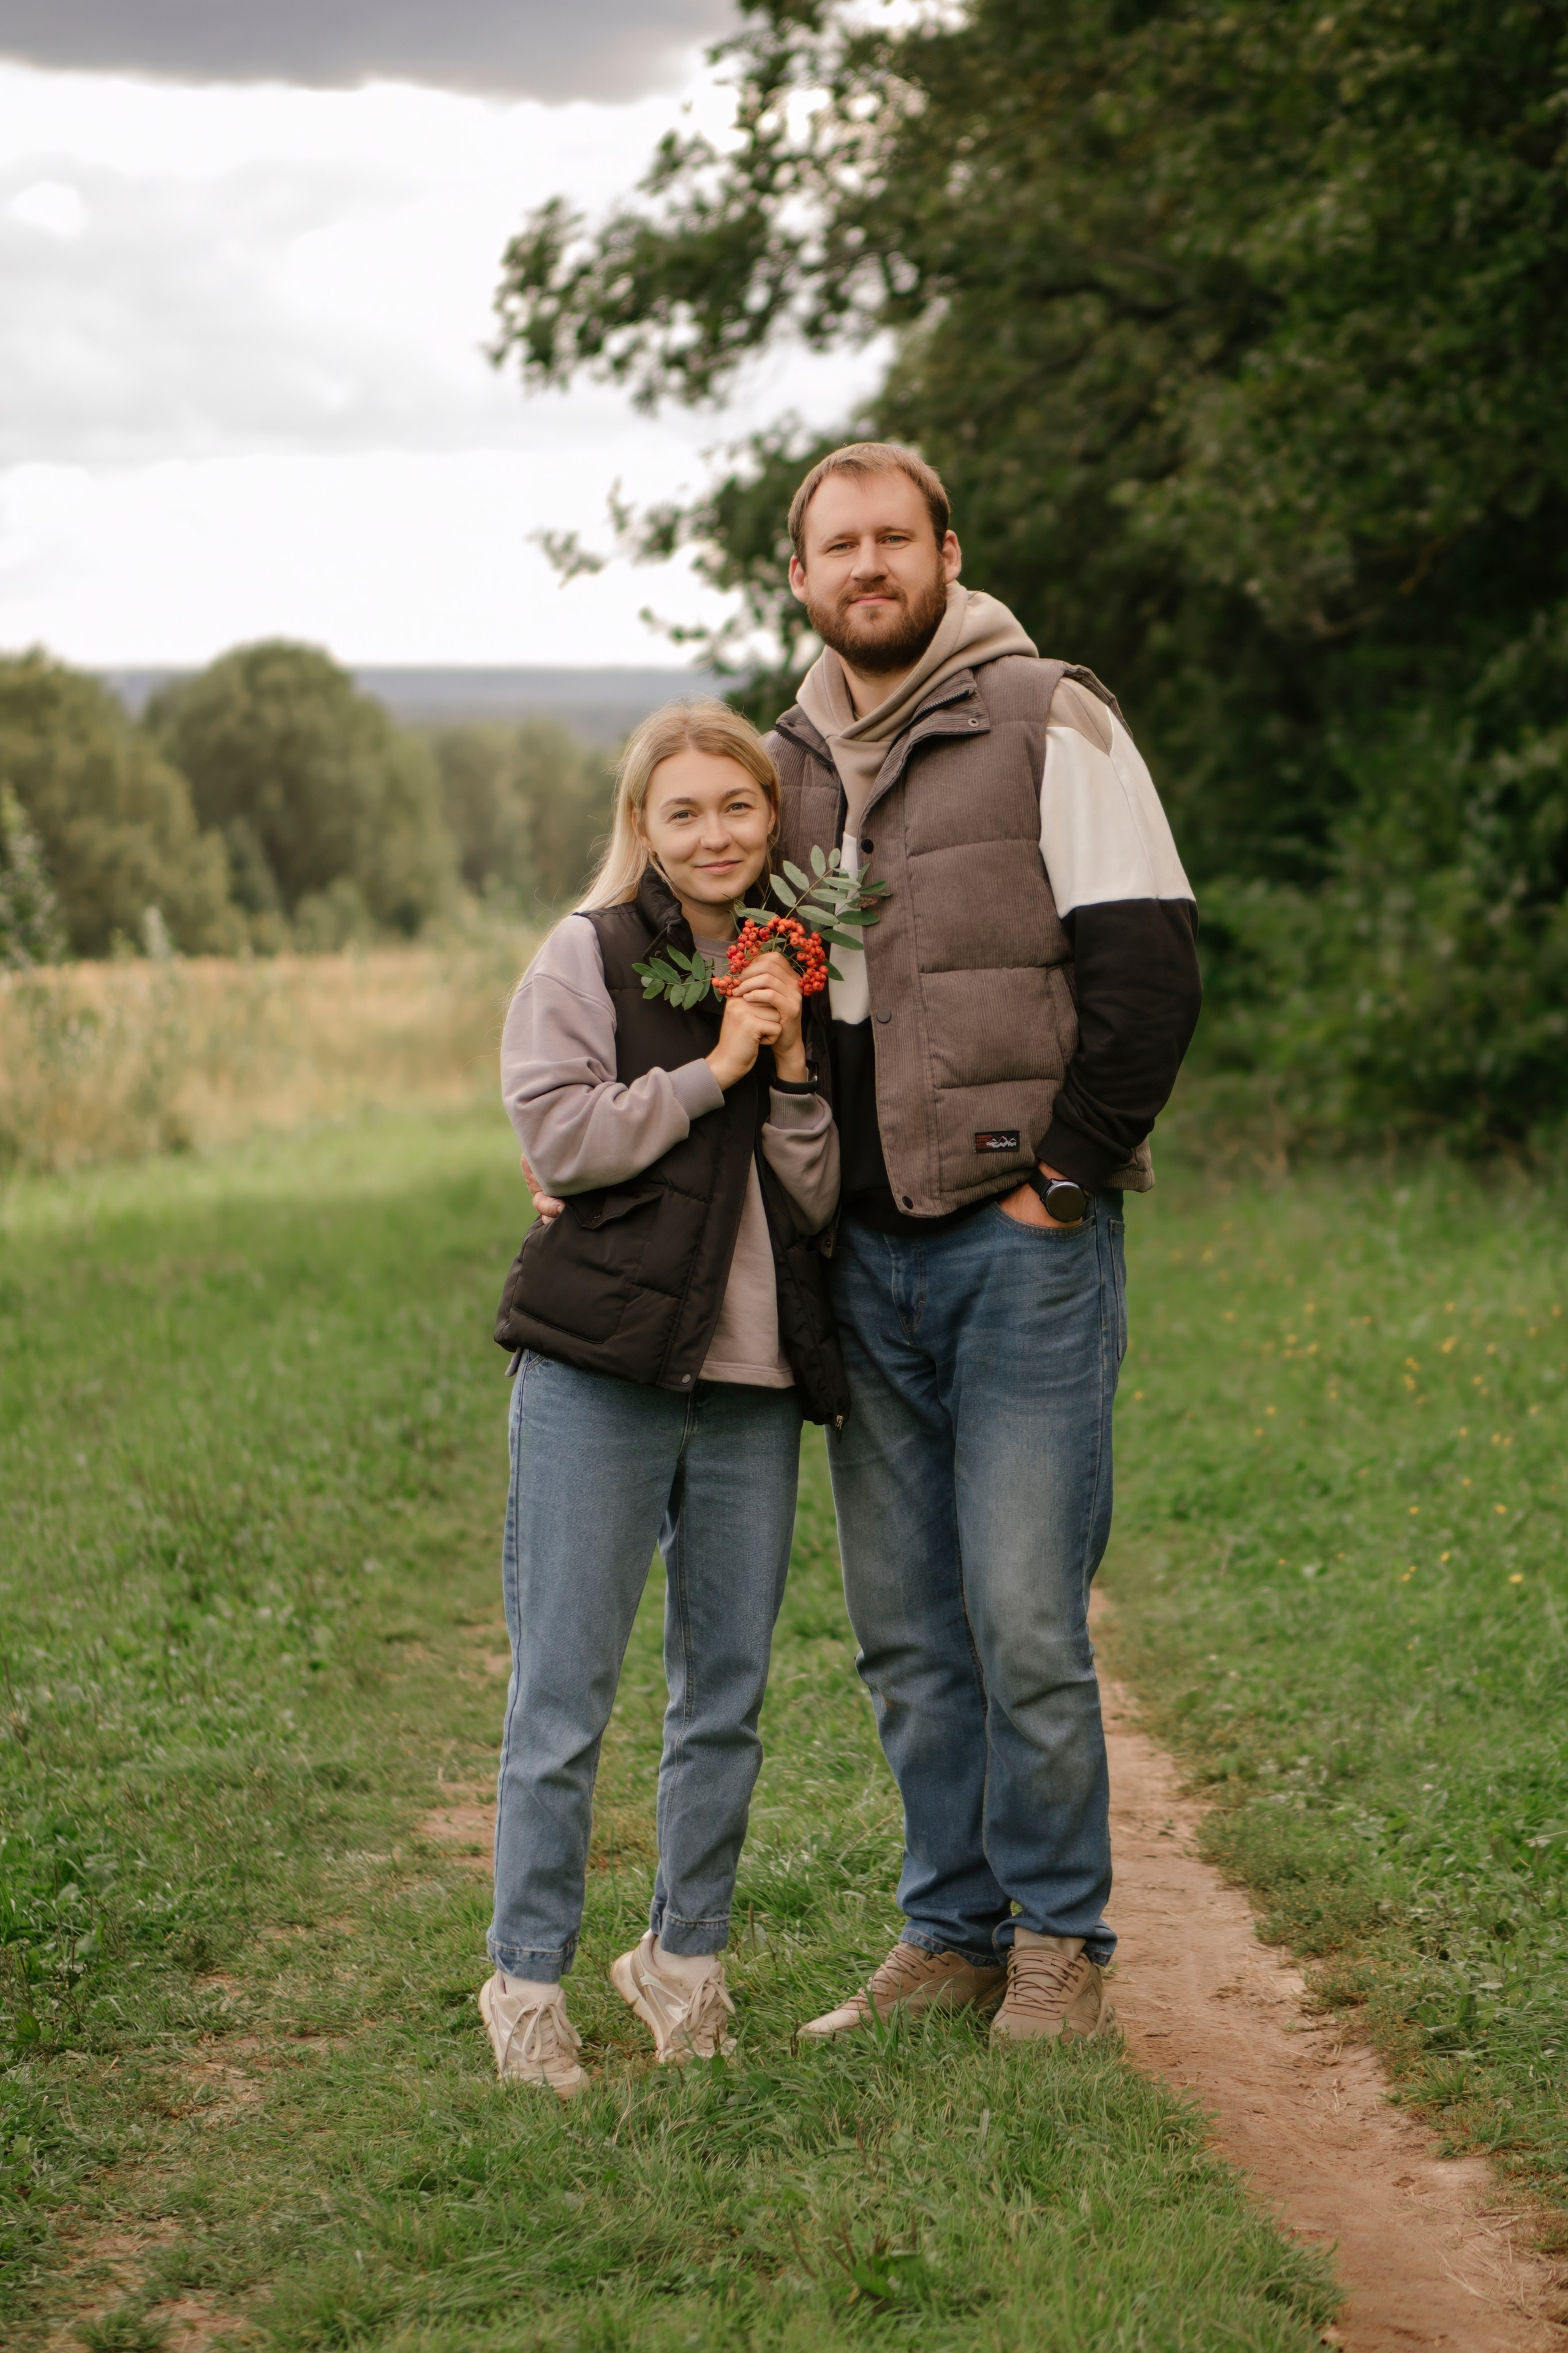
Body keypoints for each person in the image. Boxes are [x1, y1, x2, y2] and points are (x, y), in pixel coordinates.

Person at [766, 442, 1204, 2045]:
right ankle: (948, 1934)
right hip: (860, 1260)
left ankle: (1059, 1947)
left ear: (948, 551)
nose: (869, 565)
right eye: (840, 546)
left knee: (1023, 1616)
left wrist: (1064, 1179)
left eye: (896, 537)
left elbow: (1149, 966)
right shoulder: (784, 762)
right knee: (904, 1634)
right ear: (801, 579)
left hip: (1021, 1249)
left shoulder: (1050, 714)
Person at [480, 699, 848, 2098]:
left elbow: (817, 1200)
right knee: (562, 1695)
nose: (713, 834)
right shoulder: (588, 955)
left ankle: (682, 1960)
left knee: (726, 1696)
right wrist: (711, 1075)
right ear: (643, 826)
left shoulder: (802, 959)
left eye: (738, 808)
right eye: (682, 811)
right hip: (603, 1371)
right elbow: (561, 1139)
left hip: (753, 1382)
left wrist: (796, 1062)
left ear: (774, 823)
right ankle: (524, 1981)